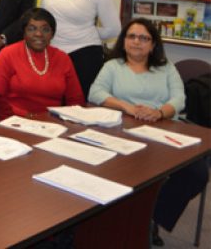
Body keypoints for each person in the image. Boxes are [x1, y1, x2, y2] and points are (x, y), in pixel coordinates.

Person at [87, 18, 207, 245]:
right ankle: (122, 220)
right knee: (125, 169)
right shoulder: (113, 67)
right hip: (123, 130)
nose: (137, 42)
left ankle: (152, 218)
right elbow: (95, 93)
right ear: (123, 42)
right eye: (132, 36)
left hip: (163, 130)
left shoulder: (166, 68)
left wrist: (160, 112)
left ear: (153, 45)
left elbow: (179, 98)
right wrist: (127, 107)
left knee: (197, 173)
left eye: (144, 38)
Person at [40, 0, 120, 98]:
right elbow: (42, 18)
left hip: (84, 55)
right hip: (51, 52)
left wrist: (86, 33)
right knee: (50, 100)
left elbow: (114, 29)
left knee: (78, 106)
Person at [0, 8, 84, 116]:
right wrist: (26, 115)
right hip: (15, 120)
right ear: (23, 32)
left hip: (53, 123)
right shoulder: (8, 54)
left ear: (52, 34)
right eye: (31, 29)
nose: (39, 34)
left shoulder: (62, 58)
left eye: (45, 30)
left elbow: (76, 100)